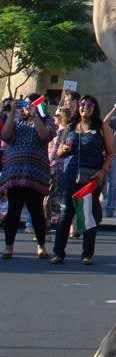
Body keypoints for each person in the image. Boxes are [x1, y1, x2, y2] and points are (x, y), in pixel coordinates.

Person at [51, 94, 115, 265]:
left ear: (95, 108)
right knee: (65, 214)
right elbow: (58, 153)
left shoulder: (102, 127)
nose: (85, 107)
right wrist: (62, 150)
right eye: (82, 104)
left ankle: (87, 254)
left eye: (89, 105)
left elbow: (111, 152)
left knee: (87, 215)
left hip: (91, 176)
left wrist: (103, 171)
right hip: (70, 174)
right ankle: (58, 253)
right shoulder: (70, 127)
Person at [1, 94, 56, 259]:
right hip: (15, 172)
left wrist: (35, 117)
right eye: (25, 104)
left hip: (35, 173)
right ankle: (9, 246)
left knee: (36, 210)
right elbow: (5, 135)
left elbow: (45, 136)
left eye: (31, 104)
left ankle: (41, 245)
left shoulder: (46, 120)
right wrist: (12, 113)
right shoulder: (16, 121)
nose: (27, 107)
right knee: (13, 211)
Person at [46, 106, 71, 226]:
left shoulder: (62, 132)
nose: (53, 118)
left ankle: (47, 223)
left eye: (56, 115)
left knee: (49, 197)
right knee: (56, 197)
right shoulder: (60, 130)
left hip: (55, 167)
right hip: (58, 166)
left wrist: (48, 163)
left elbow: (54, 152)